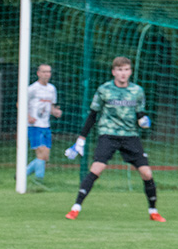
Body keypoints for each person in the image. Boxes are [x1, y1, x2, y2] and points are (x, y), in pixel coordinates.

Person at [64, 56, 165, 222]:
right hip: (108, 135)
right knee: (96, 169)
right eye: (119, 70)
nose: (123, 73)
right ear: (113, 72)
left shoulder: (137, 91)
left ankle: (153, 211)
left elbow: (140, 113)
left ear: (130, 71)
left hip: (130, 136)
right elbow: (93, 115)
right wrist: (81, 138)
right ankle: (75, 208)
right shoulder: (104, 90)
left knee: (147, 173)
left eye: (126, 69)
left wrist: (143, 120)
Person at [26, 64, 61, 184]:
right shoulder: (32, 88)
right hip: (34, 126)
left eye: (49, 72)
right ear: (38, 73)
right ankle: (38, 180)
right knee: (42, 153)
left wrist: (55, 112)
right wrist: (28, 117)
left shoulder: (52, 89)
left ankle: (22, 174)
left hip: (46, 125)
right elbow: (20, 103)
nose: (47, 74)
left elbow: (51, 106)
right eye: (44, 72)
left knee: (45, 156)